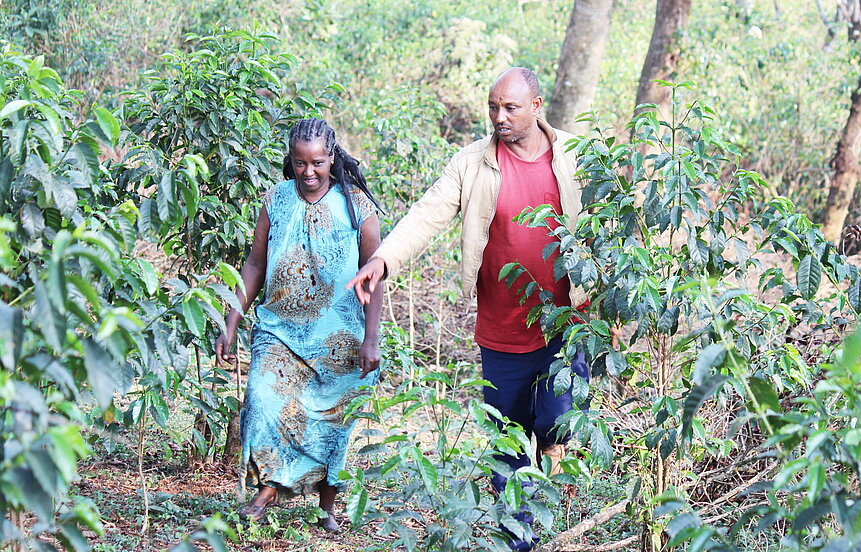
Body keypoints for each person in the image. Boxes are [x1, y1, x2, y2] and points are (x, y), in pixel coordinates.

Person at [346, 67, 588, 550]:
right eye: (493, 107)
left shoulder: (577, 157)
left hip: (569, 324)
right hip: (502, 330)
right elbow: (427, 213)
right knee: (506, 440)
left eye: (511, 108)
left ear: (537, 107)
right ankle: (517, 536)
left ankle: (550, 474)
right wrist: (382, 260)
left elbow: (611, 222)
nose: (499, 117)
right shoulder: (472, 163)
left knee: (558, 421)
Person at [215, 118, 384, 532]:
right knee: (261, 400)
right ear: (290, 162)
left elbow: (376, 274)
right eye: (299, 163)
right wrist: (231, 319)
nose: (309, 172)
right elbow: (255, 263)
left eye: (318, 163)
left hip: (341, 338)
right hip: (280, 330)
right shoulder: (275, 200)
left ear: (332, 159)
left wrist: (371, 338)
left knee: (333, 423)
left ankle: (326, 510)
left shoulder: (359, 207)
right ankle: (269, 488)